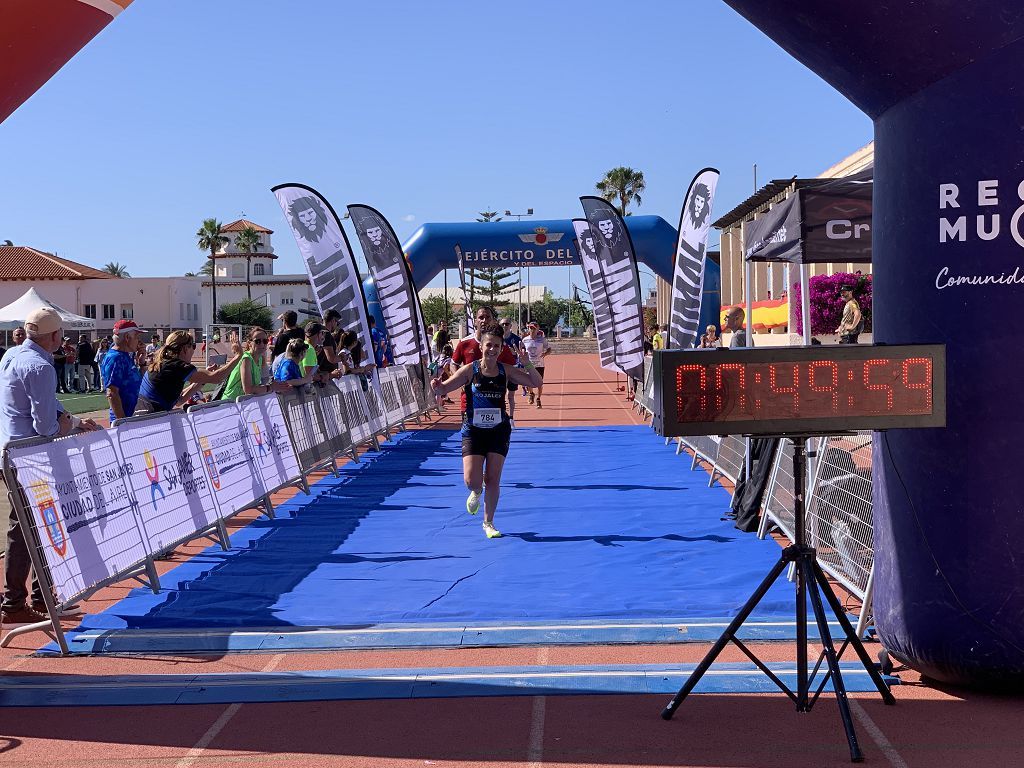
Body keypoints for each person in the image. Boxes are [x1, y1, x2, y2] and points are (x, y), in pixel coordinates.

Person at [0, 308, 101, 626]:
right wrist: (73, 423)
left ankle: (37, 597)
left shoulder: (12, 356)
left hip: (12, 450)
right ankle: (17, 601)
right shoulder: (41, 366)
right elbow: (46, 426)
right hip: (29, 455)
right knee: (29, 527)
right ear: (55, 336)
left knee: (30, 526)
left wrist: (68, 420)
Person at [431, 322, 541, 539]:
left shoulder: (506, 370)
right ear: (481, 346)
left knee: (493, 478)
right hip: (473, 430)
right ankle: (476, 490)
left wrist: (527, 363)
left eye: (497, 346)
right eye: (489, 345)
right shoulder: (469, 371)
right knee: (471, 480)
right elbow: (445, 388)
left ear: (501, 349)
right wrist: (437, 385)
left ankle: (488, 522)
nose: (492, 349)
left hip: (498, 431)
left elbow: (536, 382)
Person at [135, 330, 242, 414]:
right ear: (185, 348)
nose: (193, 350)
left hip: (145, 417)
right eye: (193, 346)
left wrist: (202, 380)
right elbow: (217, 378)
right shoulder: (178, 366)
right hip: (152, 419)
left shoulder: (165, 363)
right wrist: (238, 356)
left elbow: (180, 400)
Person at [451, 307, 518, 409]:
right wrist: (460, 380)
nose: (484, 320)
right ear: (475, 321)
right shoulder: (464, 343)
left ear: (493, 321)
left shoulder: (501, 345)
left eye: (488, 317)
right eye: (481, 317)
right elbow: (453, 364)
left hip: (494, 402)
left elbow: (513, 368)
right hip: (469, 402)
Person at [221, 328, 290, 400]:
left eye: (265, 341)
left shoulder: (260, 358)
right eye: (258, 341)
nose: (262, 344)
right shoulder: (246, 359)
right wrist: (271, 387)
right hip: (230, 403)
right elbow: (248, 390)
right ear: (249, 343)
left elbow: (261, 382)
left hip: (243, 403)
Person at [102, 320, 145, 422]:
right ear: (127, 337)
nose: (139, 341)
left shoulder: (125, 356)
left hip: (134, 417)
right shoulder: (115, 358)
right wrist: (123, 421)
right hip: (126, 421)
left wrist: (142, 363)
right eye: (137, 337)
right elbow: (112, 393)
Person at [522, 322, 552, 408]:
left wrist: (545, 353)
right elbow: (522, 350)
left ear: (538, 329)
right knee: (528, 381)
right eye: (530, 328)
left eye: (534, 328)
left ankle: (538, 399)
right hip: (529, 364)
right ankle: (531, 394)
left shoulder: (542, 340)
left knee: (539, 383)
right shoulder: (525, 340)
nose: (532, 330)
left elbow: (549, 349)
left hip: (539, 364)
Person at [500, 318, 523, 422]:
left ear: (510, 326)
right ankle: (501, 416)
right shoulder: (497, 338)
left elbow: (521, 355)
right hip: (499, 370)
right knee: (500, 395)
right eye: (502, 324)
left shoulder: (516, 339)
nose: (504, 326)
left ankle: (511, 418)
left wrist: (513, 352)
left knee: (511, 395)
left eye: (507, 324)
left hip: (512, 370)